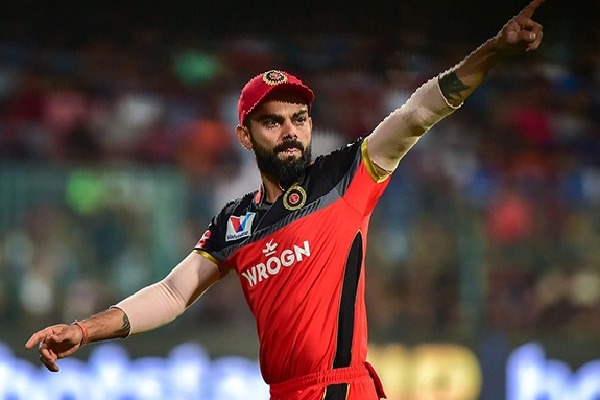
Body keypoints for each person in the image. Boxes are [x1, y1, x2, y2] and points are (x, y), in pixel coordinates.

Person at [25, 1, 545, 399]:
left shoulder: (345, 176)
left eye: (300, 118)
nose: (291, 131)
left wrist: (493, 51)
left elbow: (417, 114)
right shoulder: (235, 223)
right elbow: (172, 292)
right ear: (245, 135)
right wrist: (84, 330)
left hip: (341, 389)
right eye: (273, 122)